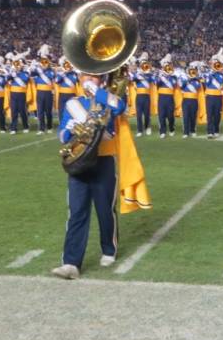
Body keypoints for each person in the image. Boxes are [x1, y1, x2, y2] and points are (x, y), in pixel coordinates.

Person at [52, 71, 129, 280]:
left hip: (103, 159)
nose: (88, 79)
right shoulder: (72, 103)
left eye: (93, 77)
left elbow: (120, 107)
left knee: (105, 209)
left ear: (101, 80)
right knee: (77, 211)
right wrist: (67, 131)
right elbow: (61, 134)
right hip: (80, 160)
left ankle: (109, 249)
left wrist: (98, 92)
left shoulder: (107, 99)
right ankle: (71, 262)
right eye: (85, 76)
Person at [31, 45, 57, 136]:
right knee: (40, 111)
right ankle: (41, 129)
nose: (44, 63)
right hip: (40, 92)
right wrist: (33, 66)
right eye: (43, 62)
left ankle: (49, 127)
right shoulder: (37, 71)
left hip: (48, 93)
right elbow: (31, 73)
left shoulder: (51, 71)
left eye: (46, 62)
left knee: (48, 111)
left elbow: (54, 78)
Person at [204, 49, 223, 139]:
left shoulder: (222, 75)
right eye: (214, 64)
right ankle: (210, 132)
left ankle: (216, 130)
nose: (216, 66)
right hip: (209, 96)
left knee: (217, 114)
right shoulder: (208, 74)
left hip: (218, 96)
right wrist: (212, 72)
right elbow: (207, 83)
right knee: (210, 114)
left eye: (217, 64)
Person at [130, 52, 154, 136]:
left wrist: (150, 72)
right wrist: (137, 72)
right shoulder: (137, 73)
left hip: (146, 96)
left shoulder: (149, 74)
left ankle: (148, 128)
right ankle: (140, 130)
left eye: (145, 63)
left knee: (147, 113)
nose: (144, 65)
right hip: (139, 96)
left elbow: (153, 80)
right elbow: (132, 78)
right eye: (142, 63)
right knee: (139, 114)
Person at [155, 54, 178, 139]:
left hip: (170, 98)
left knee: (170, 115)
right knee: (161, 115)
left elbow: (174, 84)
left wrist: (169, 75)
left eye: (169, 65)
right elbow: (156, 84)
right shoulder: (159, 76)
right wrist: (160, 76)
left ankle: (171, 128)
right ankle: (162, 131)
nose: (167, 67)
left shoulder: (173, 77)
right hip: (161, 97)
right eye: (166, 65)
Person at [180, 62, 202, 138]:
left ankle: (192, 130)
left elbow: (198, 87)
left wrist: (194, 78)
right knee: (185, 116)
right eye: (191, 71)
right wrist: (187, 80)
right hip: (185, 100)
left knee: (193, 117)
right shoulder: (184, 79)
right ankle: (186, 132)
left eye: (193, 71)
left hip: (194, 100)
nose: (192, 72)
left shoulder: (197, 81)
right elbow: (181, 87)